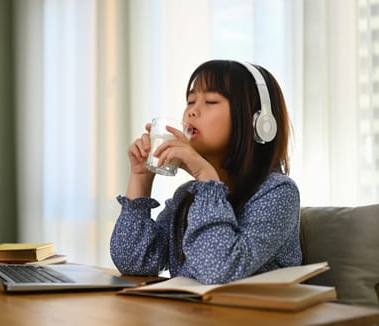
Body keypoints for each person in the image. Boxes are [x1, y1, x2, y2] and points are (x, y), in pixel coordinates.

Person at [110, 59, 302, 284]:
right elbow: (134, 262)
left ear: (258, 121)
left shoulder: (278, 192)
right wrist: (140, 178)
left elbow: (217, 270)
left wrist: (206, 178)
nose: (192, 111)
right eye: (190, 101)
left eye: (211, 101)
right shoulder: (188, 195)